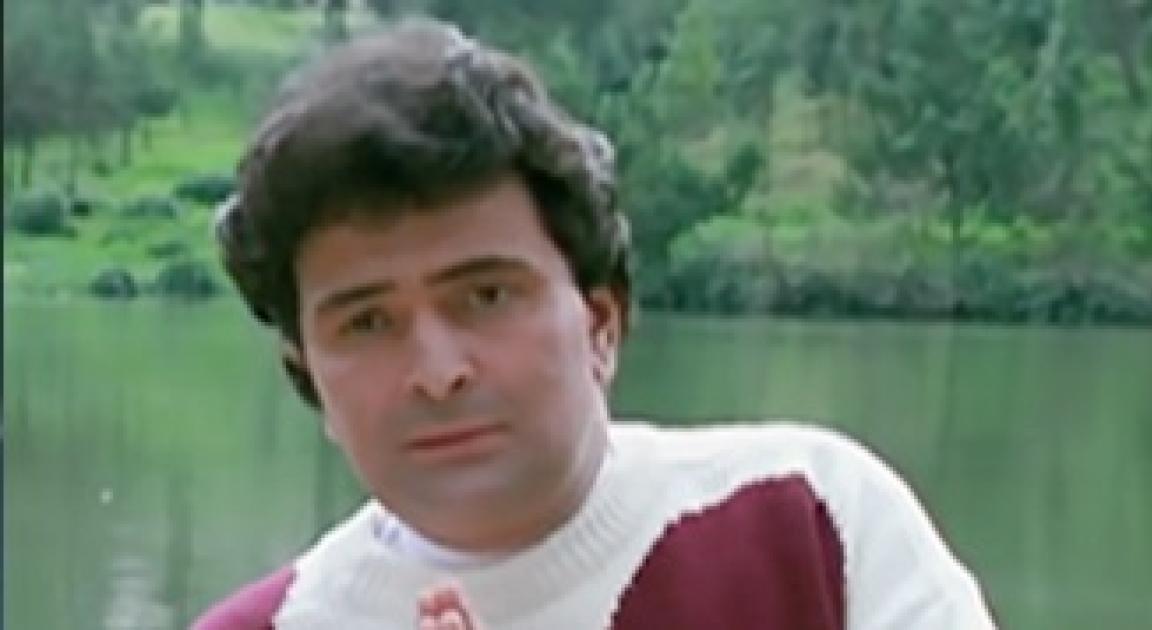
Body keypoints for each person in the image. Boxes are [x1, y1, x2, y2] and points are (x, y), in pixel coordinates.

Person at [195, 18, 996, 630]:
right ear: (307, 374)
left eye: (486, 297)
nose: (438, 372)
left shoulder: (806, 523)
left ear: (600, 322)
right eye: (368, 322)